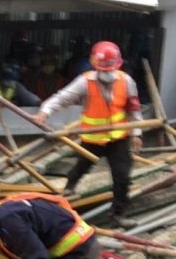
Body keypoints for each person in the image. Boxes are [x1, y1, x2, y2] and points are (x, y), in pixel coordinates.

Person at [33, 41, 143, 228]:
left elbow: (134, 110)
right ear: (94, 64)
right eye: (103, 69)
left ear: (117, 65)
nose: (106, 73)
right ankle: (66, 195)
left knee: (122, 177)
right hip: (92, 139)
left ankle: (118, 214)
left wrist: (137, 133)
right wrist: (45, 111)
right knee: (79, 170)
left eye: (110, 68)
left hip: (118, 139)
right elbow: (62, 97)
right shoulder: (85, 82)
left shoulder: (126, 82)